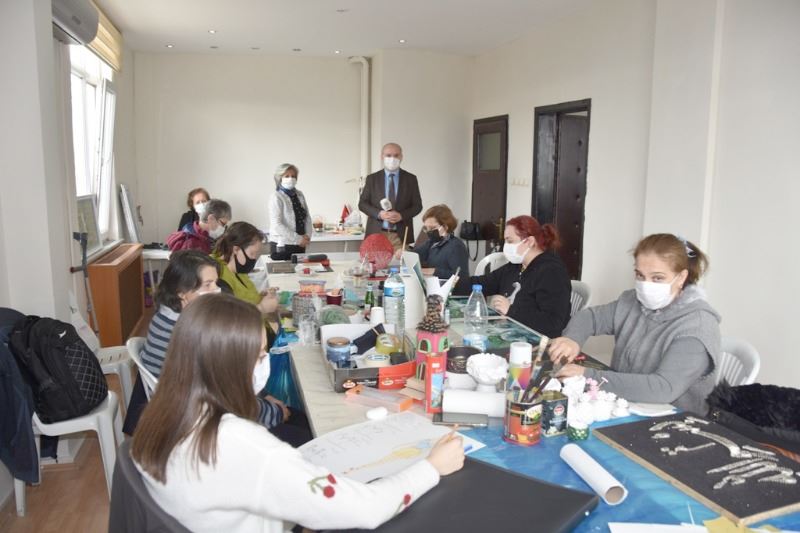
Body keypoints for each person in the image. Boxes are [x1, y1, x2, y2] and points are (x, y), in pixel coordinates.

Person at [131, 293, 464, 532]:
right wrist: (432, 467)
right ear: (230, 366)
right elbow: (369, 508)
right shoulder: (242, 445)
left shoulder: (162, 412)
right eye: (260, 356)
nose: (263, 364)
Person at [549, 234, 721, 415]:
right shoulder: (632, 301)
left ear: (681, 277)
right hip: (623, 403)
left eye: (657, 278)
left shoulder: (697, 326)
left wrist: (588, 376)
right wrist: (572, 339)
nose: (646, 286)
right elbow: (589, 317)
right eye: (640, 275)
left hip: (675, 418)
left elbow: (662, 388)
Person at [133, 250, 290, 435]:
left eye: (216, 283)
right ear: (182, 293)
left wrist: (264, 396)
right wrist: (275, 412)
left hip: (187, 412)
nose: (217, 290)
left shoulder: (165, 316)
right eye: (208, 285)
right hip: (201, 426)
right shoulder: (195, 335)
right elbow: (229, 400)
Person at [468, 215, 571, 338]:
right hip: (510, 331)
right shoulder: (516, 266)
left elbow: (553, 322)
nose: (506, 246)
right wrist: (451, 282)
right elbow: (484, 282)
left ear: (530, 241)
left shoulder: (552, 272)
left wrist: (511, 311)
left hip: (536, 341)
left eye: (510, 241)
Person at [212, 221, 278, 346]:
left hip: (257, 332)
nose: (254, 259)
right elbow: (228, 321)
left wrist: (261, 297)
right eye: (252, 253)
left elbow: (243, 298)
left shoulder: (238, 269)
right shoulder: (217, 276)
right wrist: (262, 308)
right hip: (244, 343)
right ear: (236, 249)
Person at [358, 142, 422, 251]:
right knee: (374, 262)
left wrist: (401, 215)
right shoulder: (372, 179)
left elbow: (417, 206)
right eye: (388, 155)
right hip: (376, 234)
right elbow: (362, 204)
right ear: (382, 156)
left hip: (400, 237)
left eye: (396, 155)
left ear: (401, 157)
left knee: (401, 262)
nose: (392, 159)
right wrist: (379, 214)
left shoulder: (410, 179)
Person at [268, 163, 312, 260]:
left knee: (299, 268)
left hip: (300, 244)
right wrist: (298, 239)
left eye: (293, 176)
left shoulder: (299, 194)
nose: (290, 178)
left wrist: (307, 236)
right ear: (279, 178)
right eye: (287, 176)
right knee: (283, 270)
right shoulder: (276, 197)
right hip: (282, 244)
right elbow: (277, 224)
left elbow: (307, 217)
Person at [414, 204, 469, 282]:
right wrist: (405, 253)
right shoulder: (432, 242)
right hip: (433, 284)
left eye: (432, 228)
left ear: (445, 227)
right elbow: (416, 255)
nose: (429, 231)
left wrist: (434, 271)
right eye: (426, 228)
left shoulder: (456, 246)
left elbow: (461, 276)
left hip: (449, 288)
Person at [167, 198, 231, 253]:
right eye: (223, 224)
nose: (223, 228)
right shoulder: (190, 244)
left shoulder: (205, 238)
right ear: (211, 218)